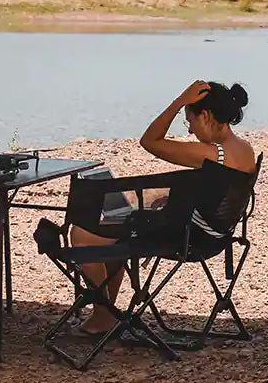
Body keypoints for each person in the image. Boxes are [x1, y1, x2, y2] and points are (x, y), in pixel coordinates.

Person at [70, 79, 257, 336]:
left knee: (82, 235)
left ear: (205, 116)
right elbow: (216, 195)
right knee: (115, 230)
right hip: (214, 234)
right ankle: (106, 313)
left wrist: (179, 101)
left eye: (189, 121)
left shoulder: (211, 154)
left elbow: (150, 141)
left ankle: (103, 316)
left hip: (187, 238)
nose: (190, 131)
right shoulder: (245, 150)